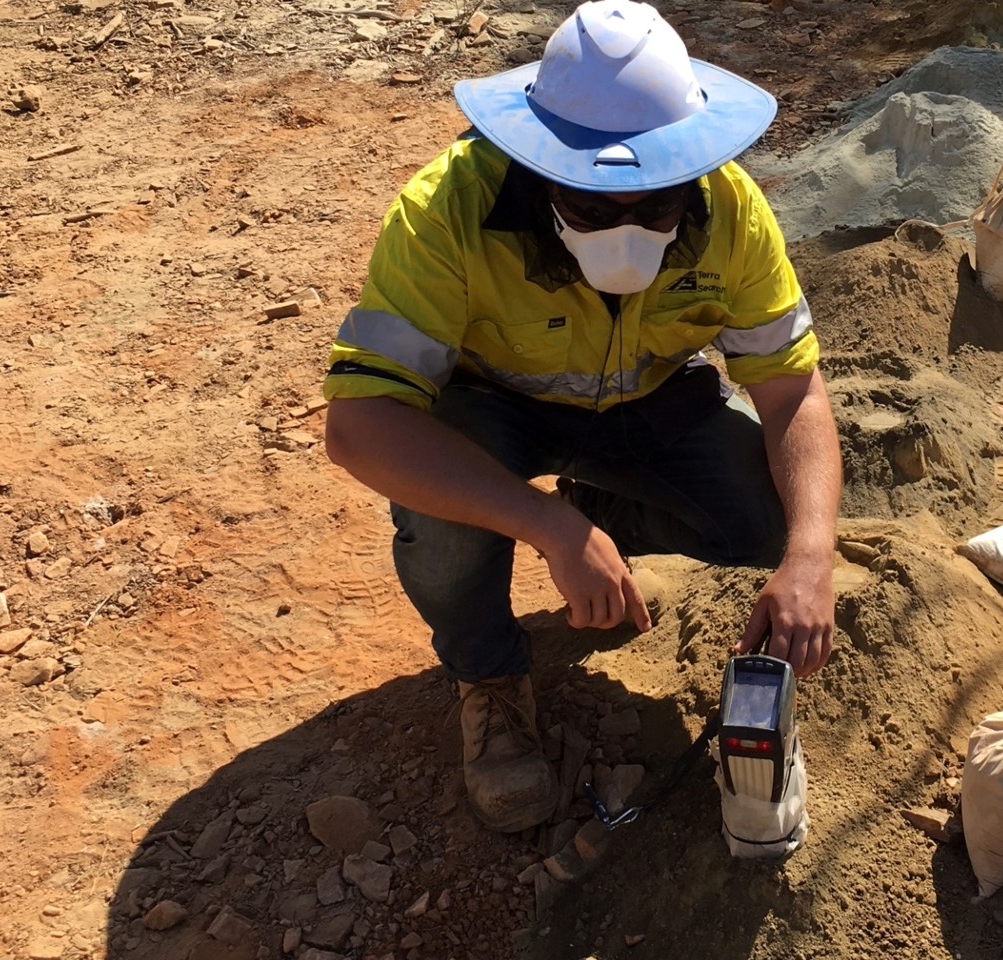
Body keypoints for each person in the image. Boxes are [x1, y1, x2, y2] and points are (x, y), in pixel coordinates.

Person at [321, 0, 842, 834]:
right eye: (594, 208)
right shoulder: (446, 211)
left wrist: (812, 556)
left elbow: (793, 392)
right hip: (495, 410)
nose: (626, 231)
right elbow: (361, 424)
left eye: (656, 206)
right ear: (538, 166)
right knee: (443, 525)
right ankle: (489, 677)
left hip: (651, 405)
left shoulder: (729, 210)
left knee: (772, 518)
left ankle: (608, 509)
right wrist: (547, 526)